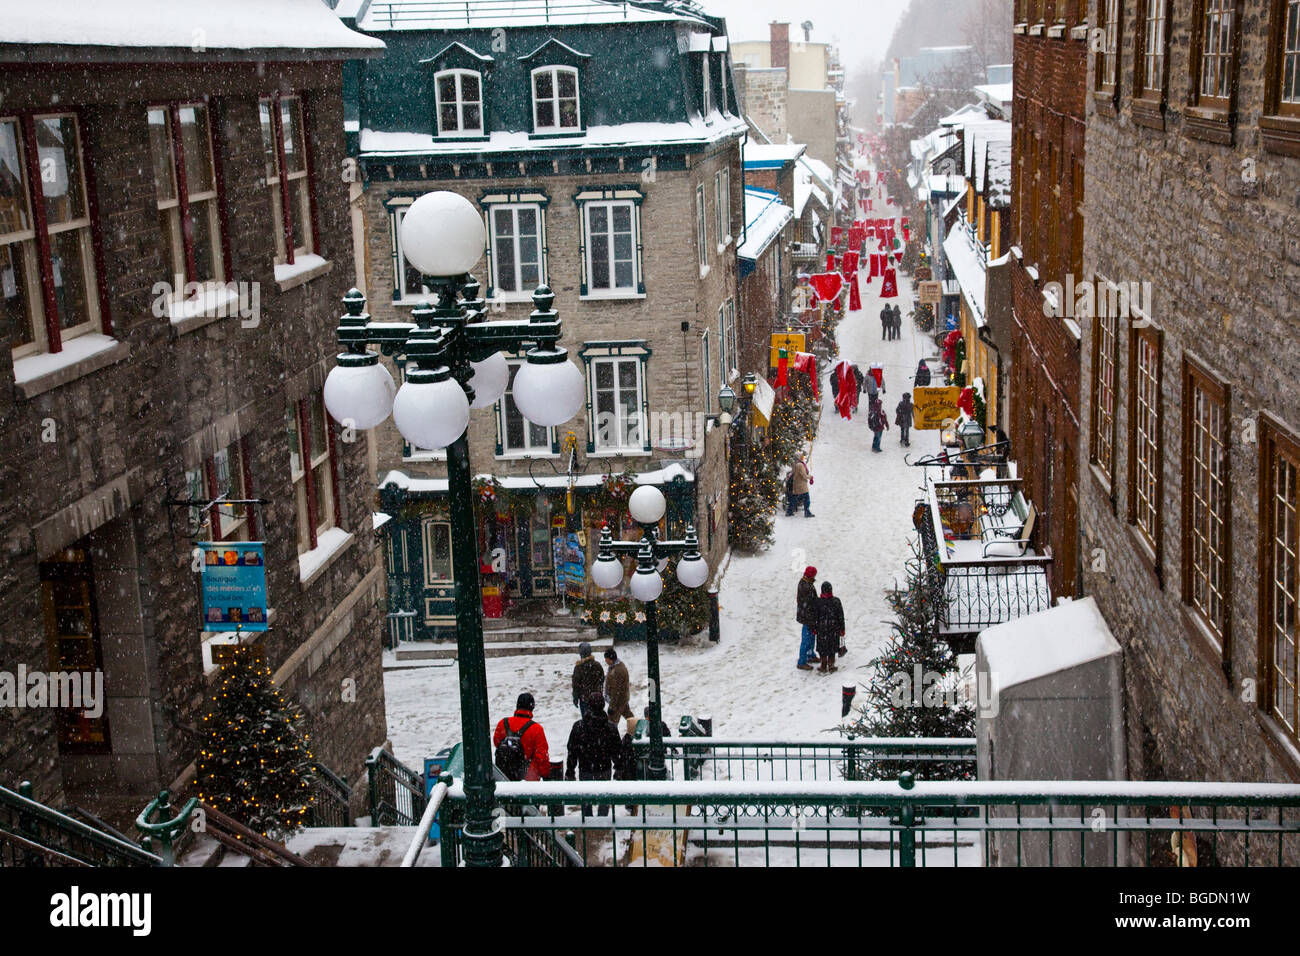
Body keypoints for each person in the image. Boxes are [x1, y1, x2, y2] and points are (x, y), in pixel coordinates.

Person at [565, 692, 622, 816]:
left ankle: (588, 823)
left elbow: (572, 751)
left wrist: (570, 770)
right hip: (604, 769)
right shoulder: (610, 728)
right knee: (604, 799)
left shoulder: (579, 726)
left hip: (585, 769)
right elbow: (617, 751)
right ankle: (601, 822)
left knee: (586, 799)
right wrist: (618, 768)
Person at [492, 692, 551, 781]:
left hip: (504, 776)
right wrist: (546, 775)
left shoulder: (503, 723)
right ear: (532, 707)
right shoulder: (536, 729)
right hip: (527, 779)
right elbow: (541, 757)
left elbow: (497, 742)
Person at [813, 582, 845, 673]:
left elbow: (815, 617)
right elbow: (841, 616)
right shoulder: (836, 601)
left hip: (821, 629)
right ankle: (831, 665)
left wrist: (814, 628)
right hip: (834, 628)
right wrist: (842, 629)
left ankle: (823, 664)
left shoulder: (818, 602)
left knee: (822, 647)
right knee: (832, 646)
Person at [572, 643, 604, 717]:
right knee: (597, 718)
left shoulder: (578, 667)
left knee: (586, 719)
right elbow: (602, 679)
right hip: (596, 698)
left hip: (584, 699)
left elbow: (575, 684)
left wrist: (575, 697)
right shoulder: (597, 665)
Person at [795, 566, 819, 670]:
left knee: (810, 637)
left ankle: (810, 654)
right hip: (808, 617)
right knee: (807, 638)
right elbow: (811, 603)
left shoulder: (804, 582)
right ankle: (802, 661)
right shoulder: (807, 586)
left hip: (805, 615)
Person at [604, 647, 634, 726]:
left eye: (606, 658)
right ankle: (637, 729)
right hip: (622, 699)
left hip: (617, 702)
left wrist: (612, 707)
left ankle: (612, 737)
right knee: (629, 716)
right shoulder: (616, 667)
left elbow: (616, 691)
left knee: (611, 722)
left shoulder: (617, 671)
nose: (605, 660)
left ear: (611, 659)